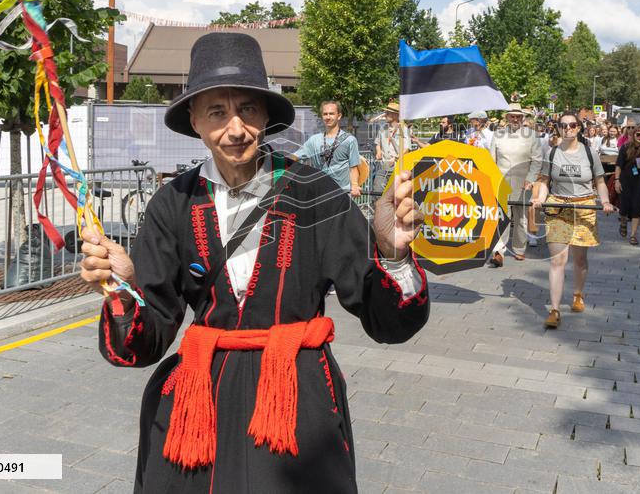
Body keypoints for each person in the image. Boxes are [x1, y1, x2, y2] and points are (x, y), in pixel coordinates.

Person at [78, 32, 429, 493]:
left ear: (265, 115)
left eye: (247, 109)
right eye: (217, 112)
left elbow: (388, 322)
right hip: (198, 404)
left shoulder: (314, 192)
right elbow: (144, 343)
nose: (236, 128)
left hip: (296, 400)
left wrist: (393, 252)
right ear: (195, 120)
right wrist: (123, 286)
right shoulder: (173, 203)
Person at [532, 111, 614, 326]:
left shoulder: (590, 153)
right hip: (558, 207)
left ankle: (578, 293)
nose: (568, 129)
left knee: (579, 259)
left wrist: (605, 201)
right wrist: (539, 199)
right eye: (563, 125)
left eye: (572, 125)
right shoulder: (551, 153)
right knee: (558, 260)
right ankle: (555, 309)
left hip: (584, 207)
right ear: (558, 128)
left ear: (579, 128)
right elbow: (544, 180)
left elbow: (600, 182)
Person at [489, 103, 543, 266]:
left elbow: (537, 160)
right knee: (502, 217)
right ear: (507, 118)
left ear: (522, 118)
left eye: (518, 116)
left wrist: (531, 178)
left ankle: (519, 249)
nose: (515, 119)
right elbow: (492, 160)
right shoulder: (498, 135)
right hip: (502, 181)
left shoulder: (531, 136)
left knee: (521, 218)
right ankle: (498, 251)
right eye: (512, 116)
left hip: (523, 182)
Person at [297, 101, 362, 197]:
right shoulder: (314, 140)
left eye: (331, 114)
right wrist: (277, 162)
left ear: (339, 116)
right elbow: (295, 156)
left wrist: (355, 185)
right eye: (325, 114)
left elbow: (353, 168)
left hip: (342, 194)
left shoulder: (349, 140)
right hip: (320, 194)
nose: (328, 117)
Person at [614, 126, 640, 245]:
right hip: (626, 179)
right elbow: (618, 165)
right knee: (624, 206)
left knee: (638, 207)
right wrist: (617, 180)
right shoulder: (625, 147)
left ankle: (633, 235)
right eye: (638, 134)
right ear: (633, 135)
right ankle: (623, 222)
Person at [373, 101, 411, 193]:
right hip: (383, 167)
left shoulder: (403, 129)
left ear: (395, 115)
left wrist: (395, 158)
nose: (385, 115)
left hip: (397, 169)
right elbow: (377, 142)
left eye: (388, 113)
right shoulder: (383, 128)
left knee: (395, 196)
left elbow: (407, 148)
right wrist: (378, 152)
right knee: (377, 193)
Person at [599, 125, 621, 206]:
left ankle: (614, 199)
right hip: (604, 163)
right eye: (611, 131)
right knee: (605, 182)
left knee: (613, 181)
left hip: (615, 164)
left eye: (614, 131)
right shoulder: (604, 139)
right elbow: (600, 149)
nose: (612, 133)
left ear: (617, 132)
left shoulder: (618, 139)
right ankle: (607, 198)